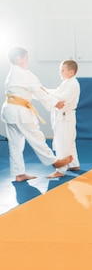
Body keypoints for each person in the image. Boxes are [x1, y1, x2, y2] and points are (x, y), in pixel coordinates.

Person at [1, 47, 73, 182]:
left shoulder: (13, 74)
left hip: (10, 111)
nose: (28, 60)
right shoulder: (23, 74)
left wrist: (52, 99)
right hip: (20, 112)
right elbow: (38, 91)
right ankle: (54, 162)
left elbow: (33, 91)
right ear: (19, 59)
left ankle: (19, 174)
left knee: (15, 144)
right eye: (26, 57)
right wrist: (55, 103)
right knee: (37, 138)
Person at [46, 59, 81, 178]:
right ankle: (74, 164)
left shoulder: (72, 83)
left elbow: (63, 97)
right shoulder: (67, 83)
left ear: (71, 72)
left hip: (65, 116)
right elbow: (57, 92)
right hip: (66, 116)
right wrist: (45, 90)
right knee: (69, 141)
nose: (60, 72)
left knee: (62, 142)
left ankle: (61, 170)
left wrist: (47, 93)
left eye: (63, 70)